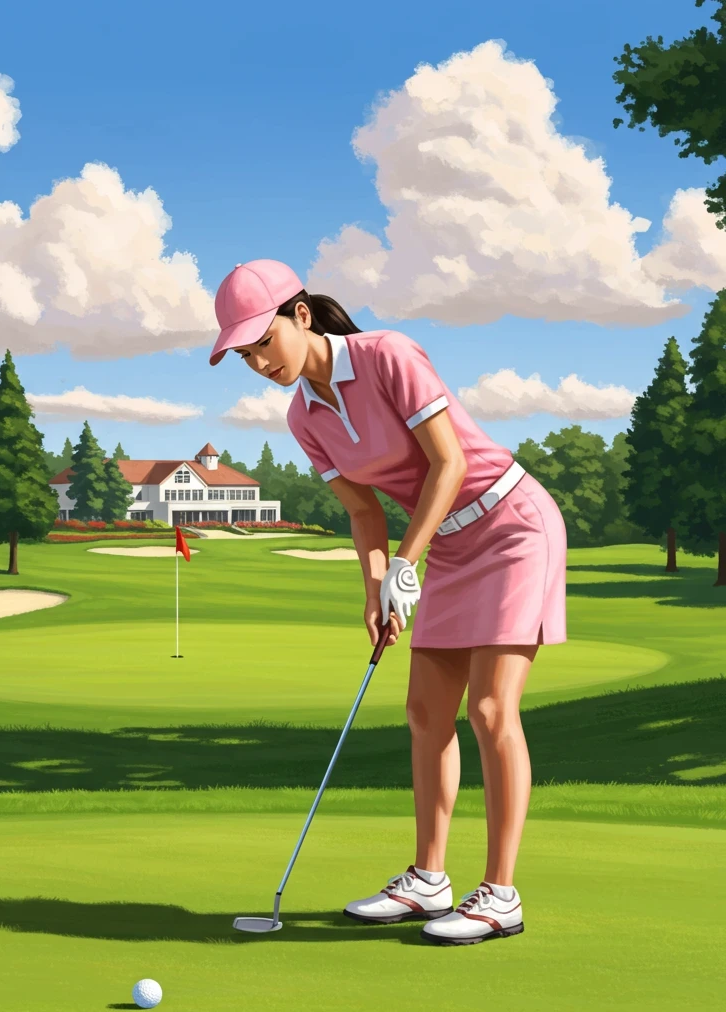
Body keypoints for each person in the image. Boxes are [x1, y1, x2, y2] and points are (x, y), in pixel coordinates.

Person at [209, 260, 567, 946]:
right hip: (449, 547)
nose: (258, 361)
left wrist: (409, 561)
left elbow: (449, 465)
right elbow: (362, 512)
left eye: (263, 341)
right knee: (426, 712)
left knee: (491, 709)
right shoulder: (303, 416)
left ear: (302, 315)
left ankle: (500, 894)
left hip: (512, 524)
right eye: (244, 353)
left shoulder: (387, 356)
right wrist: (376, 591)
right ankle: (430, 880)